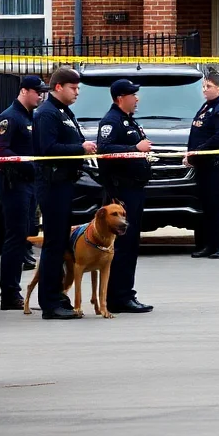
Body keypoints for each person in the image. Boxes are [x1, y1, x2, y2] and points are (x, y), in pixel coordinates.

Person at [32, 66, 97, 319]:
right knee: (54, 244)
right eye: (73, 87)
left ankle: (58, 294)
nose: (77, 92)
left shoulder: (63, 111)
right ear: (58, 87)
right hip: (52, 183)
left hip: (65, 182)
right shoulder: (47, 114)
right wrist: (79, 147)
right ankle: (50, 302)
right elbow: (48, 148)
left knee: (60, 243)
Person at [96, 78, 154, 313]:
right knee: (123, 245)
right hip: (121, 193)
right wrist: (134, 149)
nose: (136, 98)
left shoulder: (129, 121)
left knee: (131, 244)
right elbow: (104, 150)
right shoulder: (111, 121)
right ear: (121, 98)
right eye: (133, 94)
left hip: (134, 190)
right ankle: (118, 297)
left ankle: (126, 293)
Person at [0, 75, 48, 311]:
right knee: (15, 238)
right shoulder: (9, 118)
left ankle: (13, 292)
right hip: (14, 184)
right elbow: (1, 151)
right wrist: (31, 165)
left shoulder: (30, 117)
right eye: (37, 91)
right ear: (24, 91)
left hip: (29, 184)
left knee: (23, 235)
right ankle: (9, 294)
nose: (41, 96)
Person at [185, 71, 219, 260]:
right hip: (203, 166)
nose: (205, 90)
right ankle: (210, 244)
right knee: (207, 207)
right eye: (204, 87)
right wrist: (191, 155)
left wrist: (197, 152)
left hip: (215, 165)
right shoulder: (207, 107)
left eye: (209, 87)